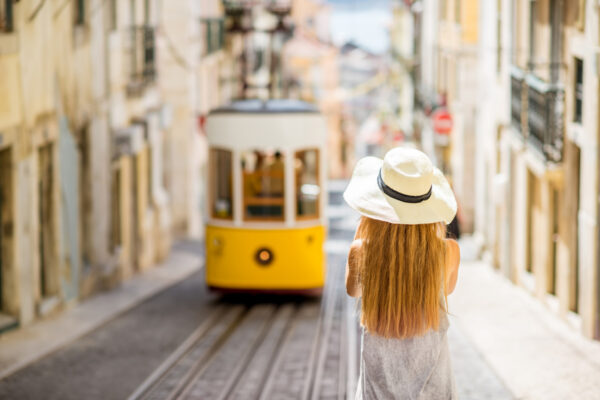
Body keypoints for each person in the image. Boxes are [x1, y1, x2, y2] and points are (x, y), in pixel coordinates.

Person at [343, 147, 460, 399]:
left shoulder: (361, 252)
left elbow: (352, 289)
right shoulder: (448, 252)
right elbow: (447, 289)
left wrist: (364, 231)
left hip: (377, 389)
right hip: (435, 389)